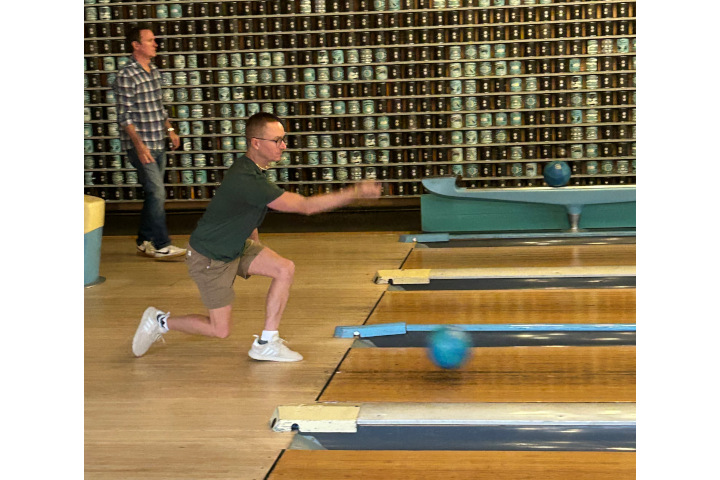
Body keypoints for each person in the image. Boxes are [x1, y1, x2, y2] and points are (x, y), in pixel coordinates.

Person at [132, 112, 382, 361]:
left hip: (236, 246)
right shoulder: (248, 178)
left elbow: (244, 209)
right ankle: (160, 321)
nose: (283, 146)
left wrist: (255, 245)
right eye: (277, 140)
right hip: (209, 257)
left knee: (284, 268)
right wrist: (355, 191)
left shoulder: (252, 169)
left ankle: (267, 342)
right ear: (256, 142)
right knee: (219, 330)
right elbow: (306, 206)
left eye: (284, 139)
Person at [115, 24, 186, 260]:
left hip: (158, 141)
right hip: (142, 146)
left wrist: (171, 130)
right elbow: (124, 116)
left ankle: (144, 239)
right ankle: (161, 243)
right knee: (157, 192)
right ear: (136, 45)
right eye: (150, 40)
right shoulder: (126, 75)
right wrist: (139, 145)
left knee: (152, 194)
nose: (155, 44)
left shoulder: (154, 71)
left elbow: (159, 107)